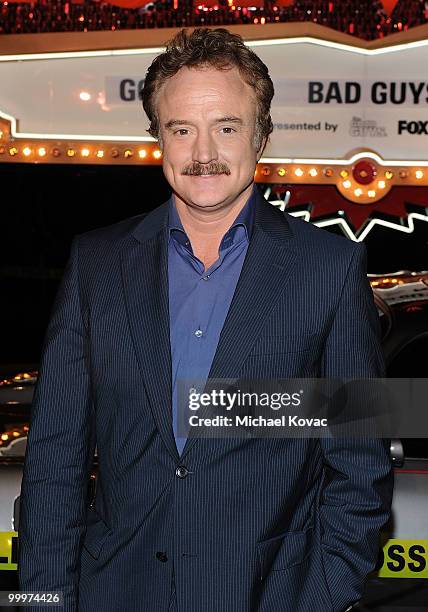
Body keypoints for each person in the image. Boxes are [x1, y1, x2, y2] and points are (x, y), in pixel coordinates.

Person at [18, 27, 393, 612]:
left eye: (226, 126)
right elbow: (54, 460)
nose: (204, 153)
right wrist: (38, 604)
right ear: (157, 139)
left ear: (260, 134)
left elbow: (358, 461)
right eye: (182, 129)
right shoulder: (97, 263)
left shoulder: (329, 267)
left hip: (270, 595)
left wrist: (326, 593)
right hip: (115, 595)